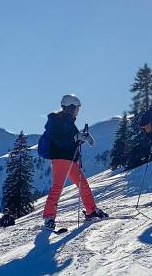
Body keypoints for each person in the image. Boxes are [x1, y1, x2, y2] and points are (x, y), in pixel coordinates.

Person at [42, 94, 107, 230]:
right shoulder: (58, 121)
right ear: (71, 107)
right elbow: (59, 140)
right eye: (77, 107)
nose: (78, 110)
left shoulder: (69, 122)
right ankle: (49, 217)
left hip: (71, 159)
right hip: (60, 158)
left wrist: (81, 137)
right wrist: (76, 137)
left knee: (83, 184)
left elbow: (70, 140)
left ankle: (91, 210)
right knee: (57, 187)